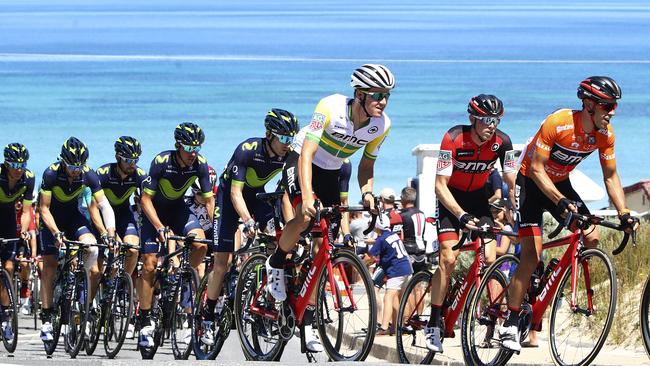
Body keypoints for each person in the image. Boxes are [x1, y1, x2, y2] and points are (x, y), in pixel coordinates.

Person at [499, 76, 641, 352]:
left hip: (561, 182)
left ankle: (561, 279)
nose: (612, 112)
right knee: (530, 253)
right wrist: (560, 200)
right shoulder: (559, 122)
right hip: (530, 182)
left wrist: (623, 211)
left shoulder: (605, 135)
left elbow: (610, 176)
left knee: (591, 235)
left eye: (614, 107)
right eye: (608, 106)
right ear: (589, 105)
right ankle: (510, 322)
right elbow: (538, 169)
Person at [266, 64, 395, 351]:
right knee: (304, 216)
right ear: (359, 94)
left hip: (333, 171)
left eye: (386, 95)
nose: (383, 101)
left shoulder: (381, 124)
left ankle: (309, 320)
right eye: (377, 94)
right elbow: (308, 152)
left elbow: (367, 165)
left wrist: (368, 192)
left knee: (323, 246)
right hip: (302, 160)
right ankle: (276, 262)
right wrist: (308, 196)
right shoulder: (330, 106)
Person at [424, 94, 517, 352]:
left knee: (490, 256)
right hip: (450, 199)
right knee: (448, 259)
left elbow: (511, 177)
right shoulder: (453, 138)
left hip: (477, 199)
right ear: (473, 118)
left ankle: (485, 308)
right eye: (486, 119)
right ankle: (433, 321)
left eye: (496, 120)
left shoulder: (503, 142)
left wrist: (516, 203)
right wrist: (461, 215)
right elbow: (439, 186)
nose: (491, 125)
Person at [199, 109, 298, 347]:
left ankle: (264, 297)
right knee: (222, 264)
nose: (287, 144)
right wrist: (247, 220)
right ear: (269, 134)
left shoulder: (289, 156)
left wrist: (292, 228)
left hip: (258, 195)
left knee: (279, 245)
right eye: (283, 138)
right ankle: (207, 317)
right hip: (229, 198)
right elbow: (235, 192)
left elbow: (285, 194)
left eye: (290, 139)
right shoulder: (248, 150)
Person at [139, 122, 214, 348]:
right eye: (189, 148)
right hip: (155, 212)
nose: (193, 153)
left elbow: (209, 200)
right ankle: (144, 319)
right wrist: (159, 226)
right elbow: (145, 200)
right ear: (178, 145)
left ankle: (184, 277)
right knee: (150, 264)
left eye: (197, 148)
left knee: (201, 244)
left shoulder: (199, 164)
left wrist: (216, 226)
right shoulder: (162, 162)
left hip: (179, 209)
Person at [38, 137, 116, 341]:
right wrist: (55, 233)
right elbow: (44, 209)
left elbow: (103, 205)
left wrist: (109, 231)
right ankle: (46, 317)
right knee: (50, 264)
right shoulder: (51, 173)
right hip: (52, 219)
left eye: (79, 165)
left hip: (73, 217)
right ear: (63, 161)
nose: (76, 170)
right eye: (72, 165)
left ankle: (81, 281)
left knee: (92, 248)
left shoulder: (88, 175)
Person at [96, 136, 146, 280]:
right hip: (102, 215)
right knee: (98, 259)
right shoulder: (104, 173)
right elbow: (95, 205)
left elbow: (148, 201)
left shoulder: (139, 175)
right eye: (128, 160)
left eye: (135, 161)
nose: (132, 164)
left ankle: (123, 282)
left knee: (133, 249)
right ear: (118, 157)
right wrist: (110, 233)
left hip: (124, 213)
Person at [0, 143, 35, 339]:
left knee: (9, 266)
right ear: (6, 163)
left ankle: (4, 314)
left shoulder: (28, 178)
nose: (18, 169)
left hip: (8, 220)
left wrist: (23, 231)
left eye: (22, 164)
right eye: (14, 164)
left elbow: (27, 211)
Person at [369, 213, 413, 336]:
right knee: (397, 299)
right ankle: (399, 326)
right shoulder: (393, 235)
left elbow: (370, 257)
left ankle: (384, 327)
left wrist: (360, 262)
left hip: (397, 270)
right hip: (407, 268)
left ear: (377, 225)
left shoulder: (381, 238)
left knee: (388, 297)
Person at [399, 187, 427, 273]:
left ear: (404, 198)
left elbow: (401, 236)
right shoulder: (422, 213)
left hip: (408, 251)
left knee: (407, 283)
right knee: (418, 282)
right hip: (422, 251)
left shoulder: (402, 215)